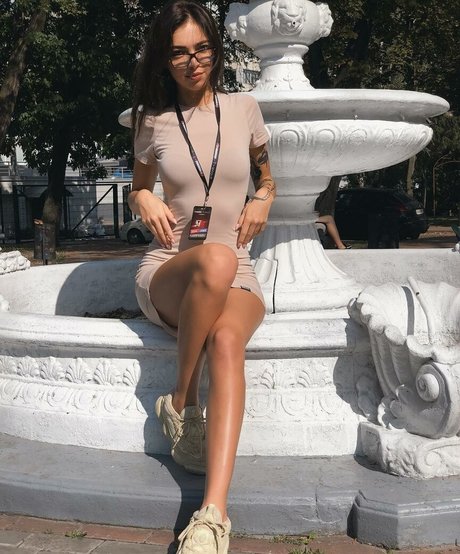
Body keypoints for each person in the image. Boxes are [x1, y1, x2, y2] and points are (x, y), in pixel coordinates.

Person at [128, 1, 276, 552]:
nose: (193, 62)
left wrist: (263, 198)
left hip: (237, 266)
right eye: (179, 53)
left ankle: (213, 514)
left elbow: (267, 178)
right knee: (213, 259)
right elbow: (139, 186)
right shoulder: (152, 120)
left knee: (228, 339)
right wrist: (143, 198)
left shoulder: (244, 108)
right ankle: (184, 399)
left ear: (215, 48)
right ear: (163, 60)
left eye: (203, 49)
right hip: (172, 266)